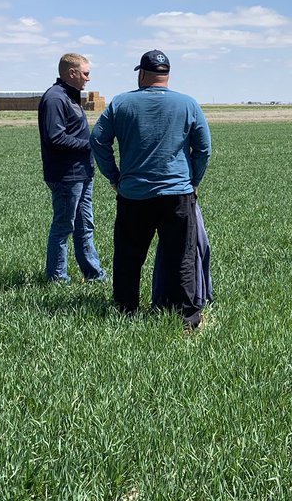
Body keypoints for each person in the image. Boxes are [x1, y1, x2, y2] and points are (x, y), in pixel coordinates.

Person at [90, 50, 212, 329]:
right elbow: (204, 148)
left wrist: (114, 176)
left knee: (129, 258)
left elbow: (98, 140)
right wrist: (194, 180)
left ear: (142, 74)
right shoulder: (188, 104)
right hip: (177, 194)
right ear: (166, 75)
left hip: (134, 195)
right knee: (182, 258)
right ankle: (188, 319)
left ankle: (125, 313)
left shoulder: (121, 103)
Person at [38, 52, 107, 284]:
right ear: (72, 73)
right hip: (67, 175)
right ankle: (57, 279)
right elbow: (55, 137)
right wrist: (90, 145)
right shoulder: (55, 99)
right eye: (86, 73)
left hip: (82, 172)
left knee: (85, 226)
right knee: (63, 227)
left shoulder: (70, 96)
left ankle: (94, 275)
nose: (88, 79)